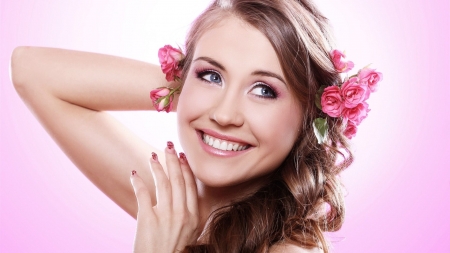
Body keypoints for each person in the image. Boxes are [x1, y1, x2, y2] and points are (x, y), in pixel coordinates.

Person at [10, 0, 381, 252]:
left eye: (264, 89)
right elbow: (30, 69)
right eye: (211, 75)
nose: (224, 114)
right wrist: (188, 91)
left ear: (309, 115)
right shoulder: (178, 207)